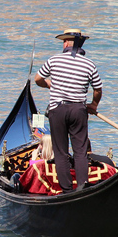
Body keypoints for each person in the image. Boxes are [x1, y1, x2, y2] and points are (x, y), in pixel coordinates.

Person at [34, 28, 102, 192]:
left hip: (58, 110)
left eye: (64, 40)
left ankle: (66, 190)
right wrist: (93, 105)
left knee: (61, 152)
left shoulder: (54, 60)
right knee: (80, 152)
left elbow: (37, 79)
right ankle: (82, 187)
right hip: (79, 110)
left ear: (66, 43)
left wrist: (49, 84)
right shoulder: (89, 64)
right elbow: (98, 89)